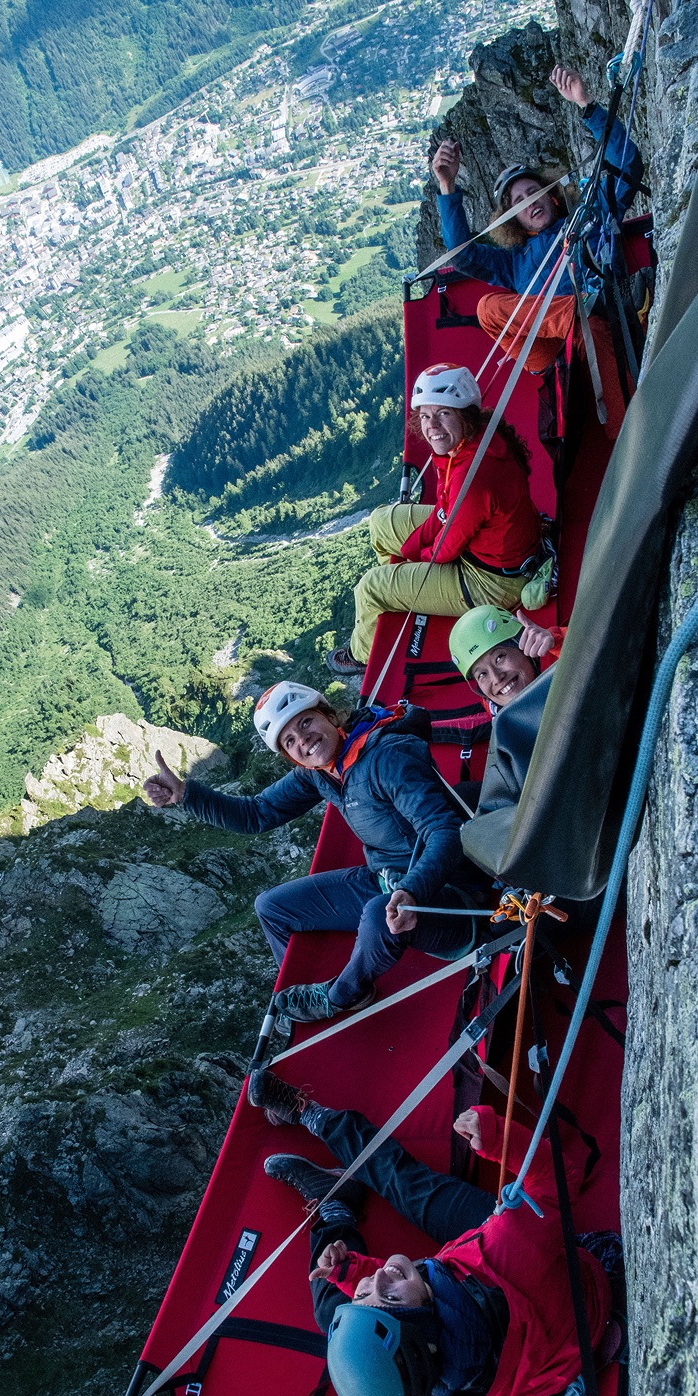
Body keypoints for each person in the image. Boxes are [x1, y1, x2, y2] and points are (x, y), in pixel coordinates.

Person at [247, 1067, 623, 1396]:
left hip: (547, 1333)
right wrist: (497, 1137)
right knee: (408, 1186)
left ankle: (335, 1210)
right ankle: (313, 1116)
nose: (377, 1275)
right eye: (390, 1297)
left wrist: (350, 1275)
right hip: (535, 1276)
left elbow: (385, 1309)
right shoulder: (504, 1252)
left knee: (338, 1317)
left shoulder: (451, 1389)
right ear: (428, 1326)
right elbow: (560, 1178)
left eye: (366, 1292)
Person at [142, 679, 494, 1027]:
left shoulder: (387, 757)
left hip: (451, 897)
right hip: (388, 881)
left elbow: (445, 831)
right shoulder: (320, 773)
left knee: (376, 914)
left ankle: (342, 995)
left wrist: (412, 890)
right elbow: (256, 813)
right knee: (271, 907)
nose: (303, 740)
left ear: (330, 716)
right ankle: (305, 995)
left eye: (306, 722)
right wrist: (186, 795)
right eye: (290, 741)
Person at [430, 65, 644, 436]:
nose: (529, 202)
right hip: (547, 349)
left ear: (552, 195)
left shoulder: (589, 217)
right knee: (487, 307)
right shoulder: (515, 264)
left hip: (592, 326)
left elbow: (628, 166)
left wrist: (586, 105)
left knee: (591, 325)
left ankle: (628, 440)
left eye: (534, 192)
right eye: (518, 202)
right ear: (514, 221)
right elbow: (461, 256)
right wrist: (448, 188)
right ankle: (578, 307)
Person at [325, 364, 548, 680]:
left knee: (371, 588)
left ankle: (363, 656)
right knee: (381, 521)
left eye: (443, 414)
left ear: (464, 414)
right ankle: (397, 601)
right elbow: (445, 506)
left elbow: (444, 551)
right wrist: (412, 547)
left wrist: (411, 560)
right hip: (489, 548)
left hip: (492, 582)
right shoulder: (474, 438)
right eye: (426, 415)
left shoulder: (474, 477)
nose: (431, 425)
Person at [449, 601, 561, 715]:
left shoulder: (559, 651)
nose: (497, 679)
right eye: (482, 674)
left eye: (499, 658)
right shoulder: (498, 713)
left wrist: (560, 645)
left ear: (523, 645)